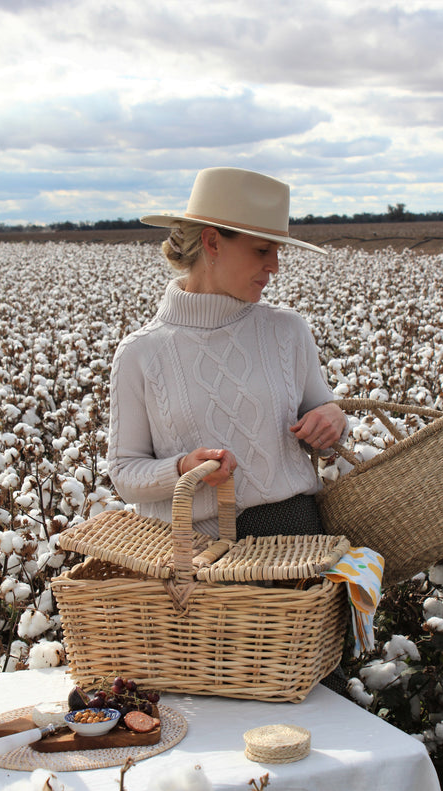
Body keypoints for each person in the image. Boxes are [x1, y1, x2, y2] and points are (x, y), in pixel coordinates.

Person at [107, 167, 348, 541]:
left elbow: (326, 424)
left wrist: (333, 417)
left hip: (298, 546)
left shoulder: (288, 330)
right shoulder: (140, 353)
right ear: (213, 242)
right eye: (262, 250)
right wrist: (184, 468)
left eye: (277, 252)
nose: (275, 266)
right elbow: (124, 473)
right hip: (195, 562)